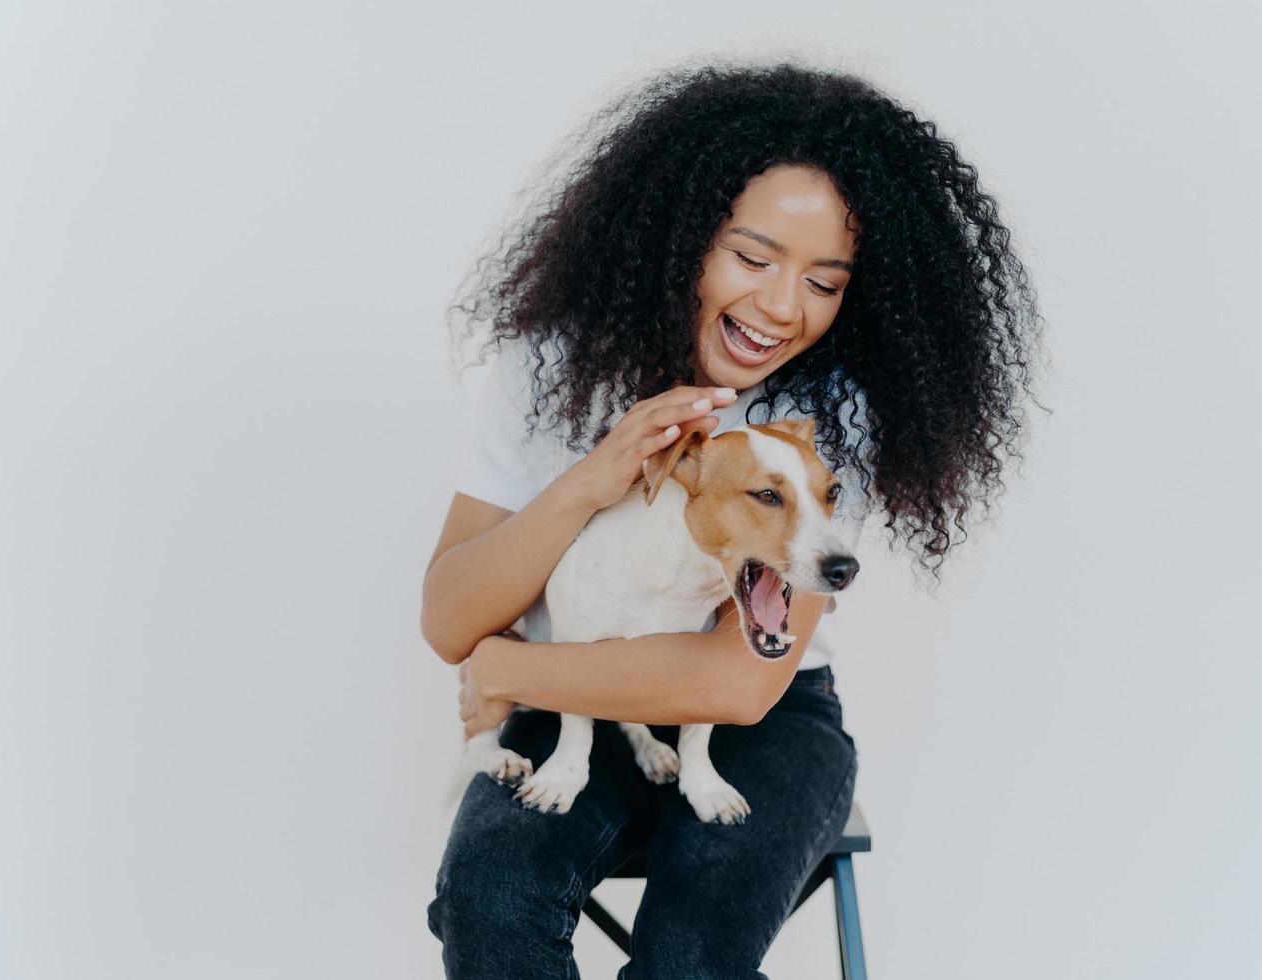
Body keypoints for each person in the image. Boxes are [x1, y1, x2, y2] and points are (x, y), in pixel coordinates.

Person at [421, 59, 1046, 979]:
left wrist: (514, 665)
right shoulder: (549, 365)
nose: (782, 308)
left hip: (762, 713)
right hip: (581, 705)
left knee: (693, 956)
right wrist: (598, 478)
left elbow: (738, 683)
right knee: (490, 902)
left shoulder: (834, 415)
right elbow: (447, 620)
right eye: (752, 259)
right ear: (679, 235)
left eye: (826, 282)